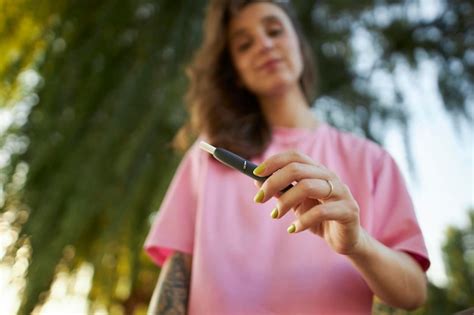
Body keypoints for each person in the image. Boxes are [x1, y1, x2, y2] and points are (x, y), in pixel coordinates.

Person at [144, 0, 430, 314]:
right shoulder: (209, 156)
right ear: (235, 72)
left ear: (298, 43)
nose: (264, 45)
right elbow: (176, 275)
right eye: (244, 44)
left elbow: (413, 294)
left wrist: (357, 243)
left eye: (275, 31)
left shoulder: (372, 161)